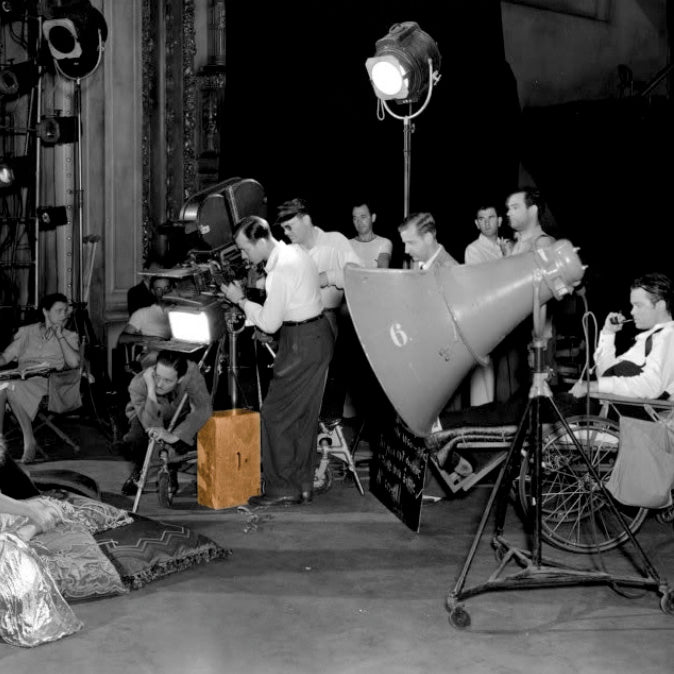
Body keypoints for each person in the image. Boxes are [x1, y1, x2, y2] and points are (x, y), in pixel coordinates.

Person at [221, 215, 334, 506]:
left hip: (301, 342)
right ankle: (302, 485)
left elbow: (270, 324)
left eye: (245, 249)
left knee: (275, 414)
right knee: (303, 416)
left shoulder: (280, 270)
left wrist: (240, 300)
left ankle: (280, 488)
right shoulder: (296, 251)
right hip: (318, 334)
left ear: (260, 240)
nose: (245, 256)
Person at [275, 197, 360, 422]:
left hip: (328, 320)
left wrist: (327, 277)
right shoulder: (289, 252)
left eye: (289, 226)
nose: (285, 233)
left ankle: (327, 431)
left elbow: (359, 275)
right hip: (294, 326)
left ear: (306, 219)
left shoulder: (335, 241)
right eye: (282, 228)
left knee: (329, 382)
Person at [0, 293, 80, 463]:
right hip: (20, 378)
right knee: (3, 386)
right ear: (45, 312)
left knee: (8, 387)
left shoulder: (69, 336)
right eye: (59, 311)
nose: (64, 314)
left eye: (66, 311)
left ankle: (28, 442)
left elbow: (74, 363)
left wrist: (60, 335)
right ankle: (7, 444)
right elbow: (5, 358)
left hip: (48, 382)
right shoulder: (27, 332)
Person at [119, 350, 212, 495]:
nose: (160, 384)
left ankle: (171, 467)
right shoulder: (138, 384)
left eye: (168, 381)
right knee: (135, 439)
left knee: (200, 432)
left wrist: (174, 437)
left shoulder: (191, 373)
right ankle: (141, 469)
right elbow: (151, 424)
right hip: (145, 415)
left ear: (180, 379)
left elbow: (203, 408)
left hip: (180, 415)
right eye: (157, 377)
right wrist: (151, 389)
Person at [570, 272, 674, 400]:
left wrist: (594, 386)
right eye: (632, 305)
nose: (632, 312)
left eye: (638, 305)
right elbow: (605, 374)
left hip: (629, 416)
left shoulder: (669, 336)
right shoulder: (651, 338)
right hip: (614, 411)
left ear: (660, 306)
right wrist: (608, 333)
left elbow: (651, 386)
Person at [464, 203, 512, 406]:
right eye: (481, 219)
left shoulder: (509, 246)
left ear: (500, 220)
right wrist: (507, 258)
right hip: (486, 323)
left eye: (491, 217)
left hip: (509, 320)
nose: (487, 223)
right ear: (476, 223)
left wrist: (508, 254)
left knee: (507, 386)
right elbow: (482, 286)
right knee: (484, 386)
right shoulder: (473, 250)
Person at [505, 187, 555, 256]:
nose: (508, 213)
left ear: (532, 211)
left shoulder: (542, 243)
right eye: (509, 208)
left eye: (515, 208)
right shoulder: (518, 244)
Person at [349, 200, 392, 269]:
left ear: (373, 218)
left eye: (363, 217)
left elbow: (382, 271)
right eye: (355, 218)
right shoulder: (347, 244)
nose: (359, 222)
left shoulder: (384, 243)